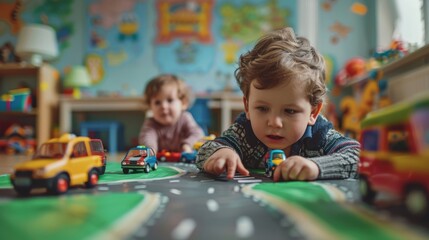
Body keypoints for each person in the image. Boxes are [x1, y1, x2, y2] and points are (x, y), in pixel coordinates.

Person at [196, 27, 360, 181]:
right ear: (247, 106)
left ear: (313, 113)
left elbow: (358, 156)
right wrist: (220, 152)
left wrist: (316, 166)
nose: (274, 122)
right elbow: (205, 149)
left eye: (289, 111)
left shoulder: (319, 135)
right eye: (262, 108)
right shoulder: (244, 132)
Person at [138, 74, 204, 153]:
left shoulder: (185, 118)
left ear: (183, 103)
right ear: (150, 107)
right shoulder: (151, 123)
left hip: (184, 159)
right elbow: (146, 137)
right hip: (159, 162)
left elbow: (198, 134)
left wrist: (187, 145)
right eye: (157, 102)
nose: (163, 106)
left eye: (170, 100)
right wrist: (150, 149)